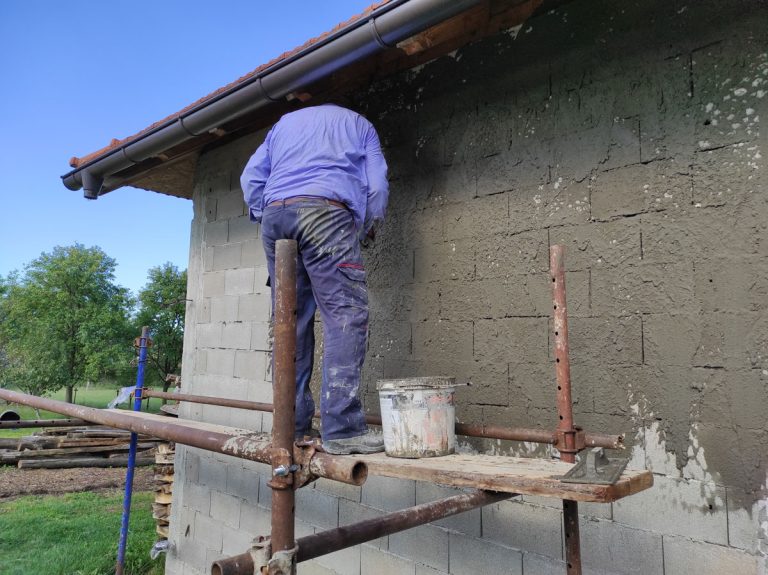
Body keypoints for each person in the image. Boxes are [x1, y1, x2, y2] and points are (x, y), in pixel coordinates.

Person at [241, 103, 389, 455]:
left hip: (276, 217)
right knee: (345, 316)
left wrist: (265, 211)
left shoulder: (282, 125)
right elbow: (378, 185)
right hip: (326, 212)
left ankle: (290, 427)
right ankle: (343, 429)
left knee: (289, 322)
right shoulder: (362, 125)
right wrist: (365, 226)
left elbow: (251, 177)